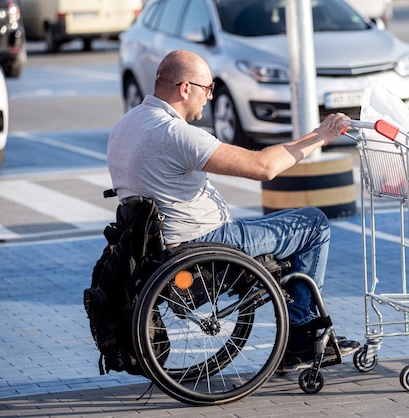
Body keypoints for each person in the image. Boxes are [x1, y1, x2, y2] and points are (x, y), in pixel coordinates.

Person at [107, 49, 358, 371]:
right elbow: (264, 166)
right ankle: (300, 337)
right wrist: (321, 137)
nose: (209, 98)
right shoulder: (175, 133)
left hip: (157, 248)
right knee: (313, 223)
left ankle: (295, 322)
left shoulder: (126, 125)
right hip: (204, 242)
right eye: (208, 89)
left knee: (283, 225)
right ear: (186, 89)